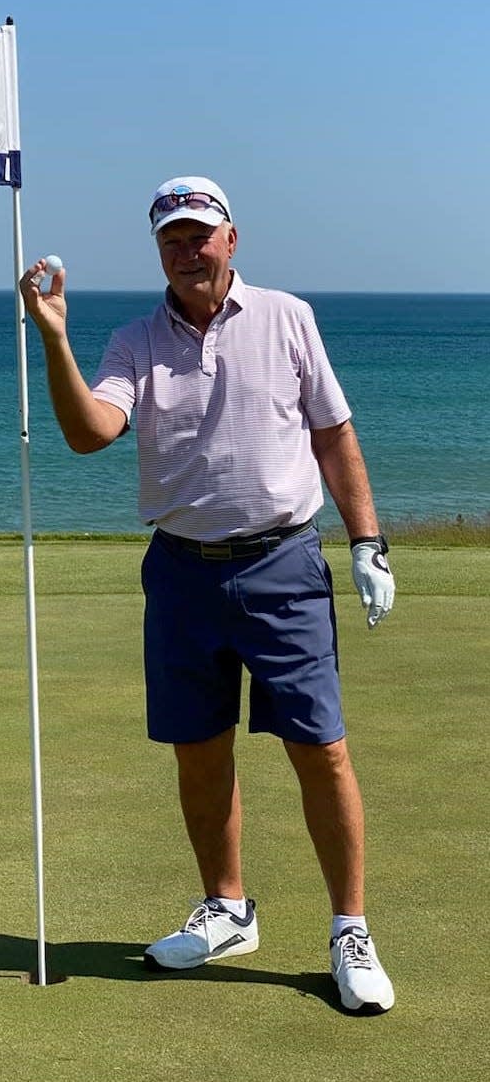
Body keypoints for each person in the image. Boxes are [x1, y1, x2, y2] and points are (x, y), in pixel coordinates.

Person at [20, 176, 397, 1014]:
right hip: (181, 570)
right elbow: (90, 434)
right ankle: (227, 908)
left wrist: (366, 540)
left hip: (282, 563)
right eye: (170, 239)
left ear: (232, 238)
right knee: (199, 746)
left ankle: (348, 928)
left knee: (320, 748)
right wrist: (53, 339)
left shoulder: (287, 317)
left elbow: (332, 432)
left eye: (199, 235)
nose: (186, 250)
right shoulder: (130, 341)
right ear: (158, 248)